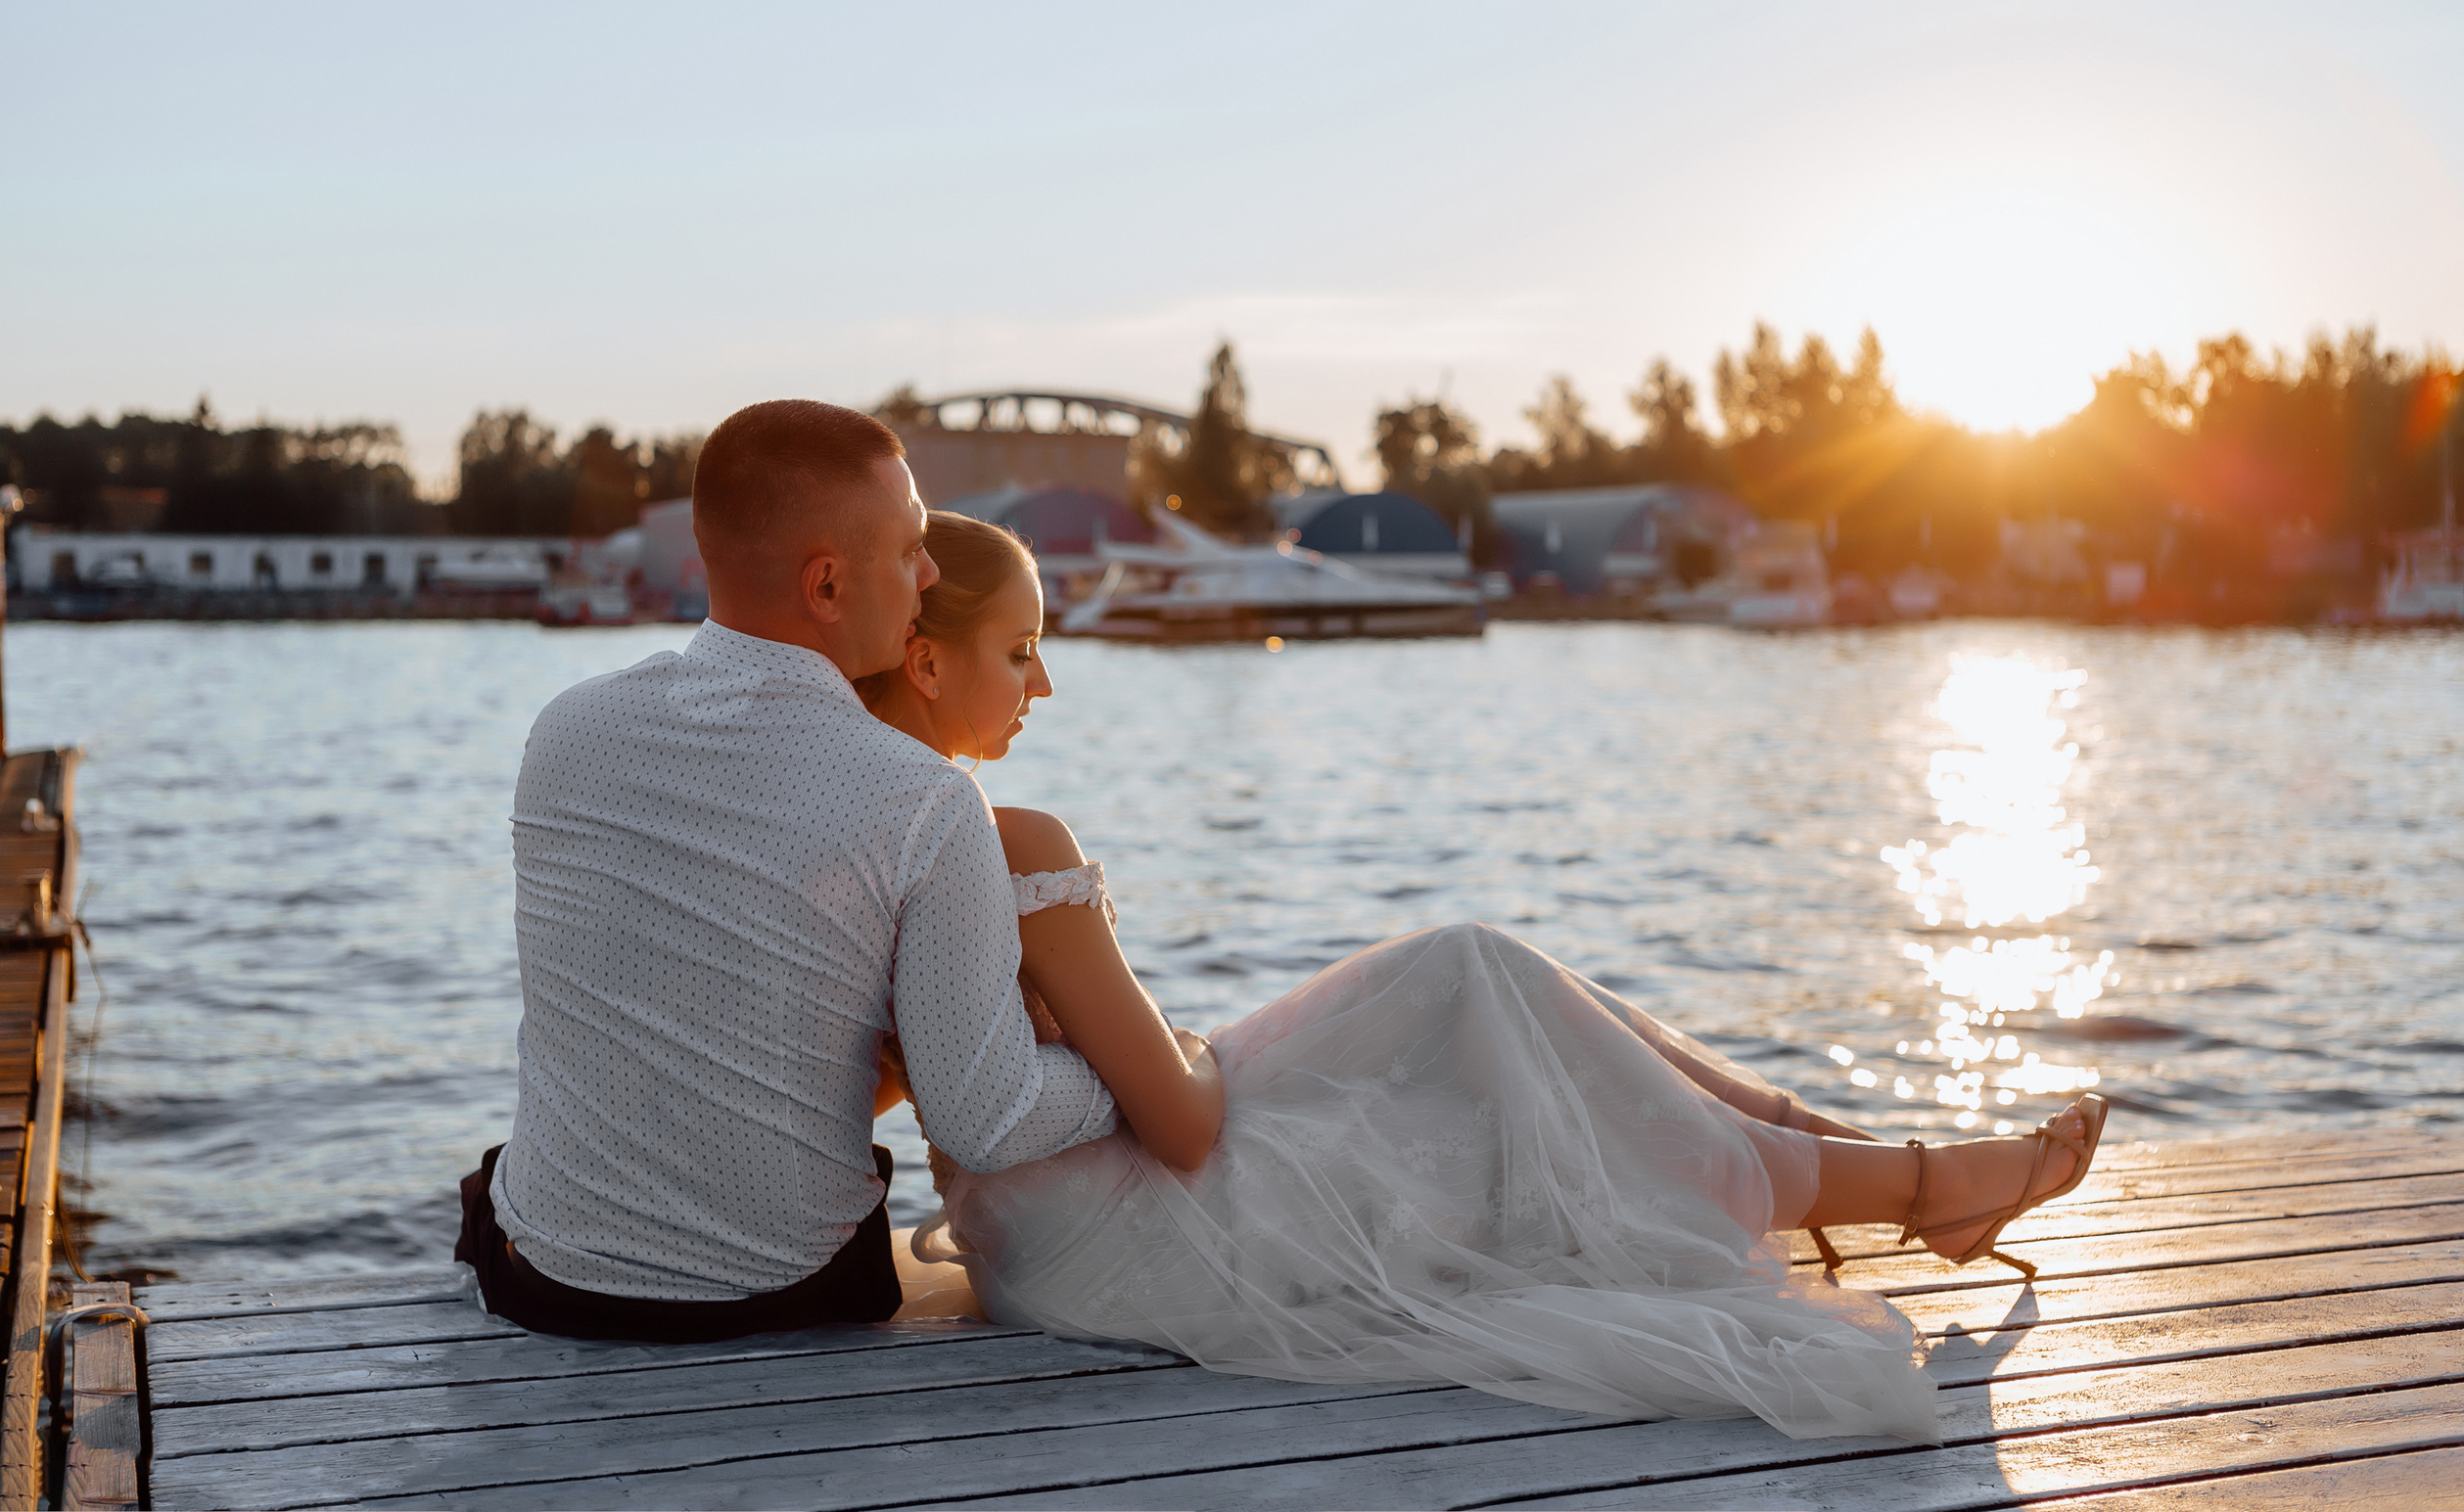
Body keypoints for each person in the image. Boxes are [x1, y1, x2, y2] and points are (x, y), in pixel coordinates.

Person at [862, 511, 2110, 1442]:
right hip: (1137, 1230)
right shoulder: (1006, 843)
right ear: (928, 665)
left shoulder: (874, 842)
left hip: (1035, 1249)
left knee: (1499, 1007)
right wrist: (1173, 1047)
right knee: (1497, 1027)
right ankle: (1915, 1186)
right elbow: (1185, 1126)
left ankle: (1888, 1174)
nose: (1045, 681)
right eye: (1020, 650)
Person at [454, 401, 1121, 1344]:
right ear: (826, 584)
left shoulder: (567, 728)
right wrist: (1124, 1069)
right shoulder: (924, 800)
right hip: (785, 1294)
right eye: (910, 552)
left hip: (552, 1287)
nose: (928, 576)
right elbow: (990, 1118)